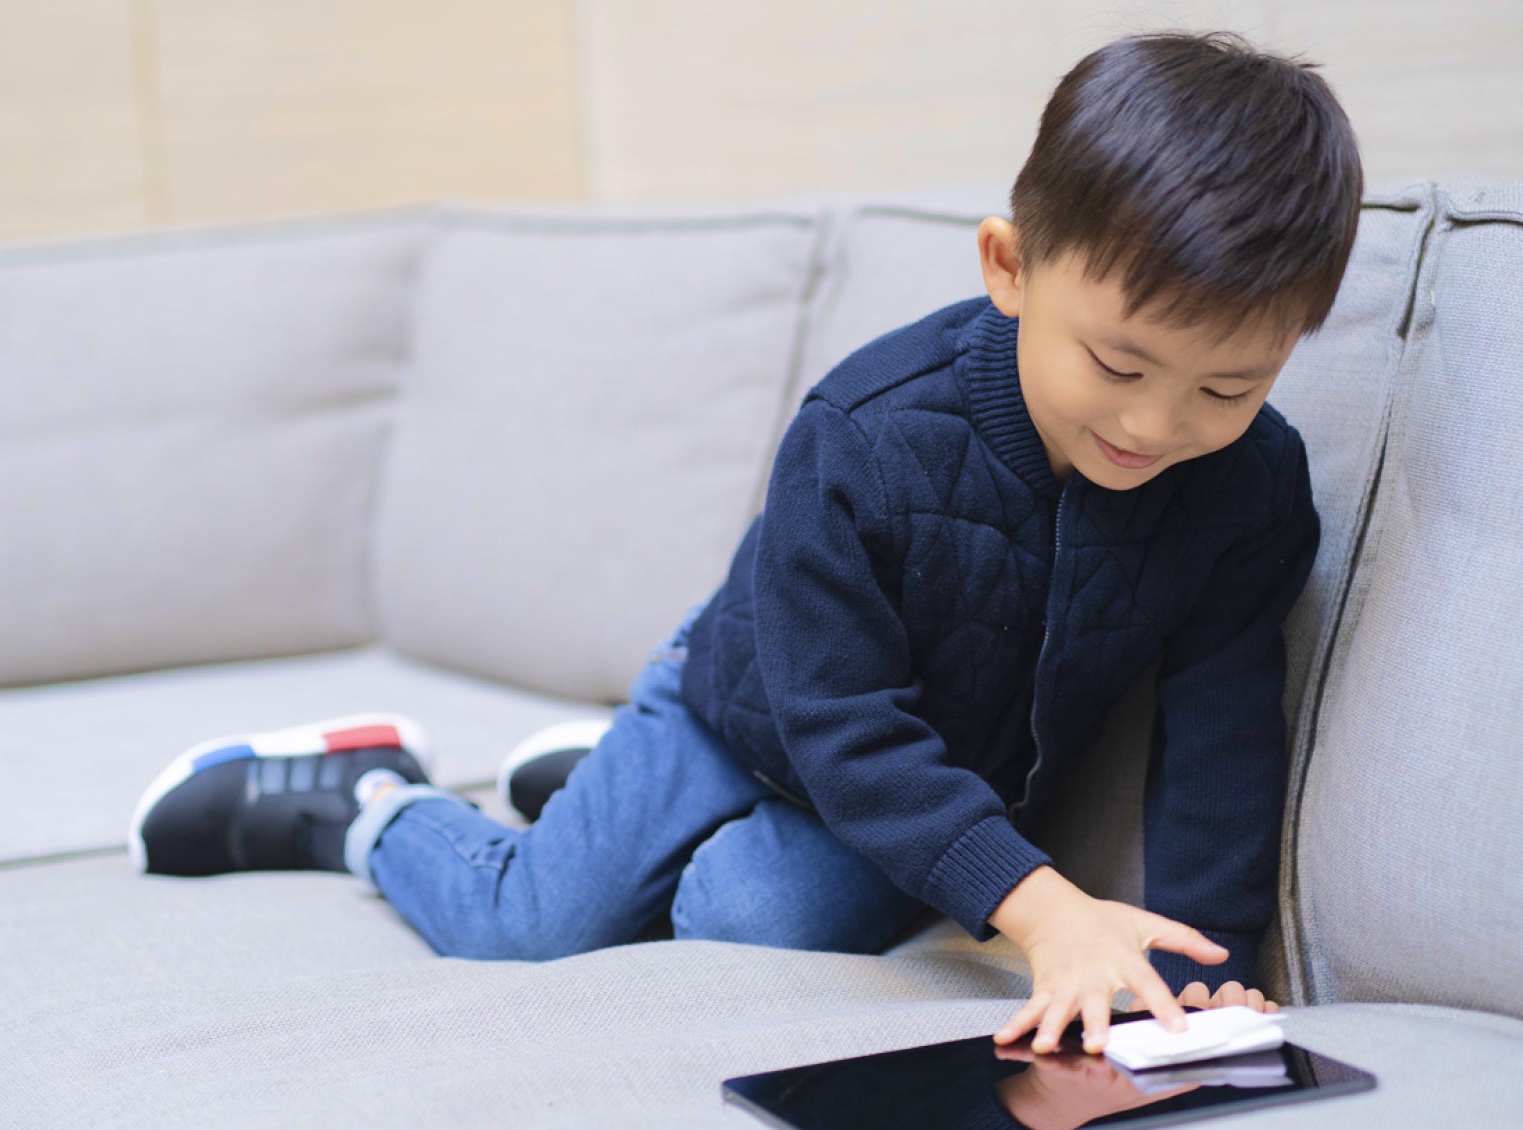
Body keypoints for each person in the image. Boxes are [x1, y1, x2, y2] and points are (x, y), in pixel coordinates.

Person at [130, 28, 1357, 1062]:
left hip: (903, 792)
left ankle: (591, 789)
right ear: (1010, 268)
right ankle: (365, 800)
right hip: (755, 703)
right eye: (1120, 364)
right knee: (528, 925)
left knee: (740, 909)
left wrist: (1201, 964)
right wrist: (1042, 910)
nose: (1157, 424)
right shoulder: (869, 434)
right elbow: (842, 724)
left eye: (1227, 388)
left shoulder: (1246, 490)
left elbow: (1224, 729)